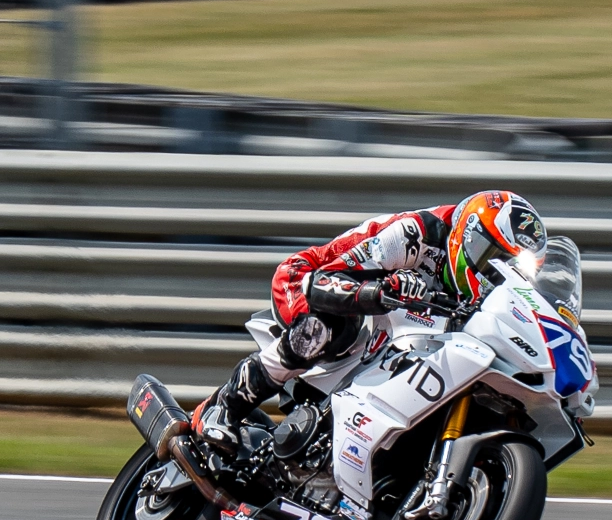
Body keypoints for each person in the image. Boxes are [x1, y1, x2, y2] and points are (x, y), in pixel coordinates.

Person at [191, 190, 551, 450]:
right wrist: (383, 291)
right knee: (329, 328)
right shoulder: (415, 234)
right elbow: (323, 283)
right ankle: (223, 408)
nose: (493, 274)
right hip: (311, 279)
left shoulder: (476, 289)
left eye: (505, 269)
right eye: (491, 260)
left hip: (391, 318)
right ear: (468, 235)